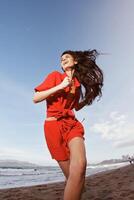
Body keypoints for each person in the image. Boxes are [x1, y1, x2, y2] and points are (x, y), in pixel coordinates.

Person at [33, 49, 103, 200]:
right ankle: (80, 189)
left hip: (71, 124)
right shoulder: (55, 76)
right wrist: (59, 86)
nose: (63, 59)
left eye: (66, 57)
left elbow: (75, 107)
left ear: (75, 61)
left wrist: (86, 100)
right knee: (73, 177)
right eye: (61, 59)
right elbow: (36, 98)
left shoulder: (77, 85)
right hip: (53, 128)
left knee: (79, 167)